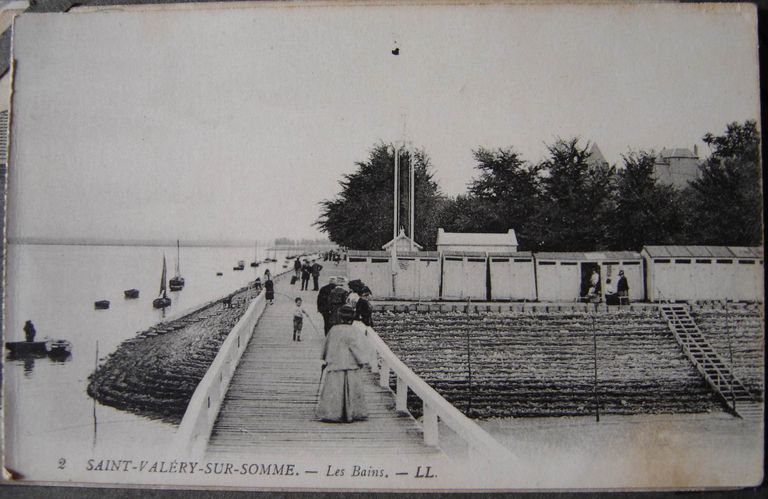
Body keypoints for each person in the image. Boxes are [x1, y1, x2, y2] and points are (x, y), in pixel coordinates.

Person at [316, 305, 368, 423]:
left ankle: (333, 413)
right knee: (352, 388)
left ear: (339, 317)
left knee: (335, 388)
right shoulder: (354, 331)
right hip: (351, 363)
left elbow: (328, 345)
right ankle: (352, 412)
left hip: (336, 362)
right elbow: (356, 347)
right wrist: (361, 361)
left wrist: (325, 359)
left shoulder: (333, 330)